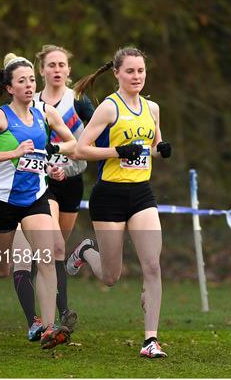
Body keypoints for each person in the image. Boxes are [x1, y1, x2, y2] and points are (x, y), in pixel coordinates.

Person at [0, 53, 76, 350]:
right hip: (1, 201)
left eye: (31, 80)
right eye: (21, 81)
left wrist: (53, 153)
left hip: (35, 198)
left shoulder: (45, 113)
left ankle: (49, 329)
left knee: (46, 258)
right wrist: (13, 154)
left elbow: (74, 142)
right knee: (1, 267)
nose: (27, 85)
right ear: (9, 88)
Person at [65, 47, 172, 358]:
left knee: (152, 265)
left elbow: (149, 146)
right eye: (130, 71)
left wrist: (160, 150)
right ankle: (86, 250)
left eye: (140, 71)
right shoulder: (109, 109)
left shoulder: (152, 109)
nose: (136, 76)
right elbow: (80, 150)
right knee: (112, 277)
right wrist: (116, 152)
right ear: (117, 74)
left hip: (141, 195)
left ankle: (150, 340)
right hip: (109, 196)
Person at [10, 45, 96, 341]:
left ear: (69, 71)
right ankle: (61, 313)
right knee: (55, 247)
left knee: (54, 249)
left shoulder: (80, 101)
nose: (57, 69)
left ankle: (50, 313)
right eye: (52, 65)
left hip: (72, 182)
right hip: (42, 184)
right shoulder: (29, 102)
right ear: (42, 70)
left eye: (62, 65)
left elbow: (96, 136)